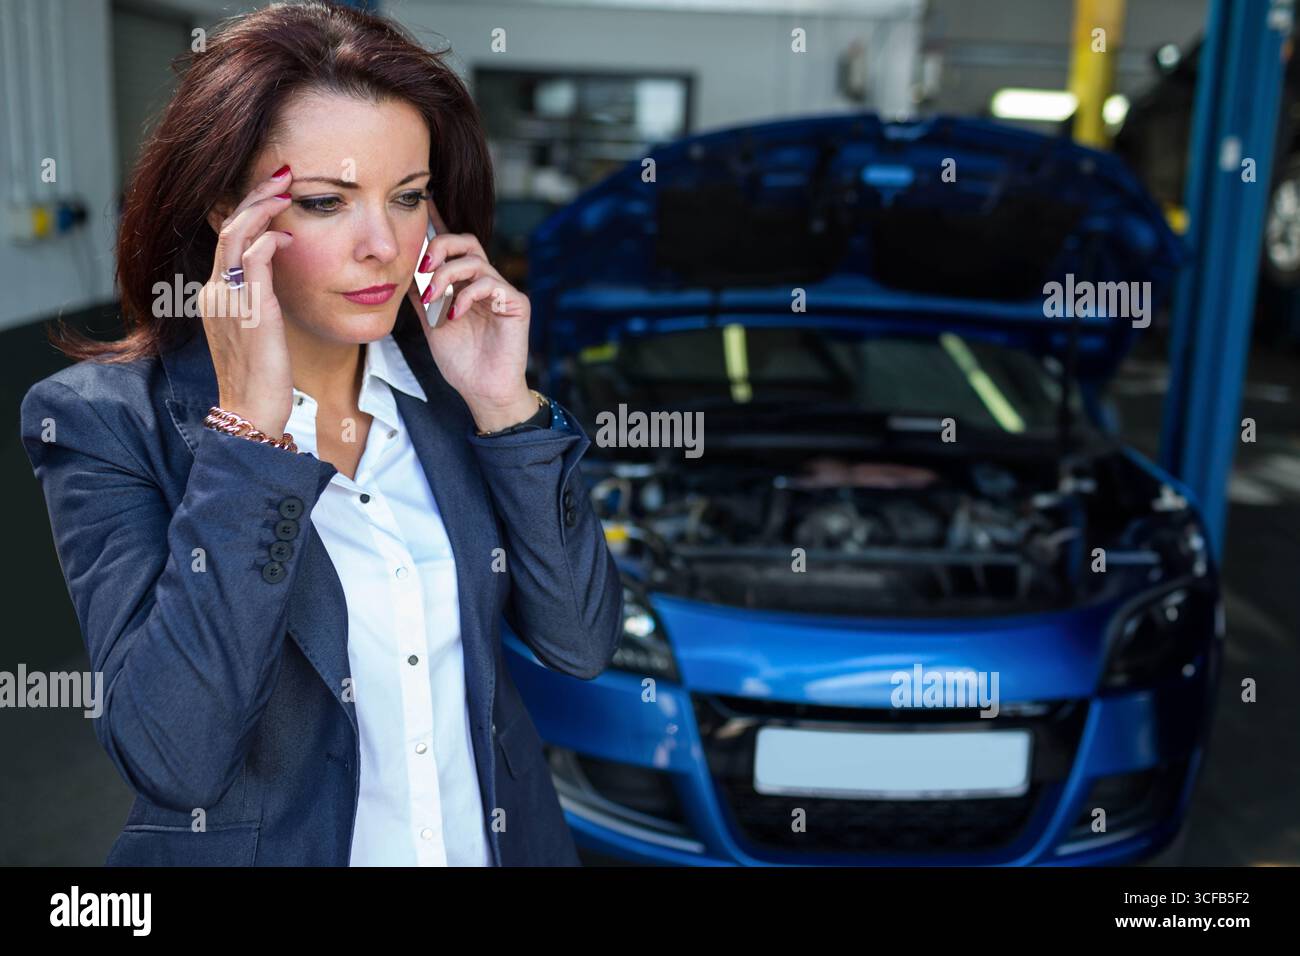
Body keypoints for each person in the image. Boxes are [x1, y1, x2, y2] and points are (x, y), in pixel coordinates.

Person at [19, 0, 623, 866]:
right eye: (326, 202)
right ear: (226, 211)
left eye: (408, 196)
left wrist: (504, 405)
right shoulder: (100, 420)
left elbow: (580, 643)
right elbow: (172, 757)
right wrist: (248, 438)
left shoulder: (454, 392)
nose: (382, 243)